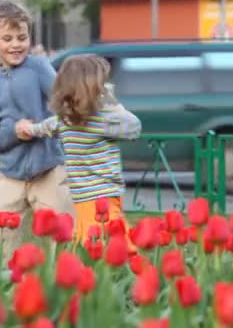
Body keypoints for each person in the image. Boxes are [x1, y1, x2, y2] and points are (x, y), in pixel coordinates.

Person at [0, 1, 74, 259]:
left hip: (49, 170)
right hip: (10, 173)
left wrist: (44, 127)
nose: (16, 45)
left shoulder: (39, 68)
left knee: (63, 237)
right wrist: (13, 132)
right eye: (7, 38)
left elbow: (62, 105)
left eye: (22, 37)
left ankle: (63, 285)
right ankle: (6, 281)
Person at [17, 54, 141, 246]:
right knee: (118, 246)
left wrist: (28, 129)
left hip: (81, 196)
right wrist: (113, 104)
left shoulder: (64, 120)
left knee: (87, 243)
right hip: (105, 196)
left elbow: (43, 128)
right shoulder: (105, 118)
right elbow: (134, 128)